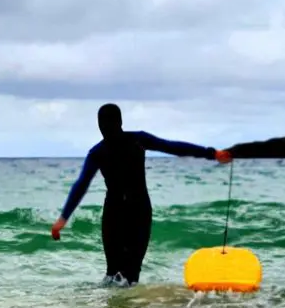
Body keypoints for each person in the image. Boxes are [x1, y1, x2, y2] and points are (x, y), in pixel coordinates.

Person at [50, 103, 231, 283]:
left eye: (106, 123)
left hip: (129, 212)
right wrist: (63, 218)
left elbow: (172, 147)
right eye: (103, 124)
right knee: (117, 273)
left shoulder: (121, 145)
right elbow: (81, 184)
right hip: (125, 212)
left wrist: (211, 153)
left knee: (123, 273)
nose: (105, 128)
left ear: (115, 123)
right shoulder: (112, 148)